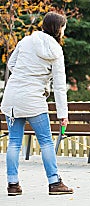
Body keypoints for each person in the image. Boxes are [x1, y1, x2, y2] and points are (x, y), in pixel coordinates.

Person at [0, 12, 73, 196]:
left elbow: (11, 64)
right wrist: (62, 114)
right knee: (46, 142)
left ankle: (13, 184)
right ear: (57, 28)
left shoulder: (26, 41)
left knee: (14, 142)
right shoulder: (56, 51)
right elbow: (59, 85)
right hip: (34, 100)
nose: (64, 30)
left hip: (13, 98)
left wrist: (24, 76)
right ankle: (54, 182)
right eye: (63, 27)